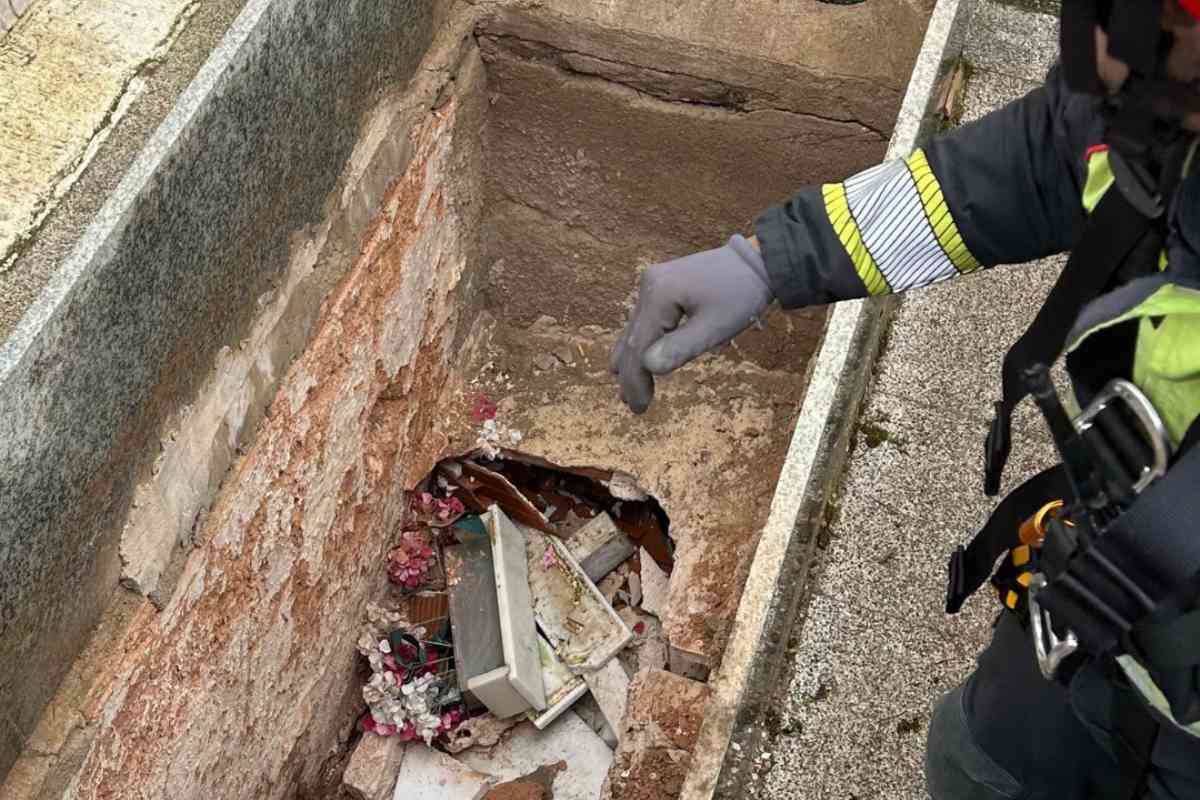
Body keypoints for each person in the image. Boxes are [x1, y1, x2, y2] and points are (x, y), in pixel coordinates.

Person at [611, 2, 1200, 798]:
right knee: (973, 770)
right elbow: (1043, 156)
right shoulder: (1161, 103)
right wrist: (772, 259)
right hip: (1109, 624)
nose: (1097, 49)